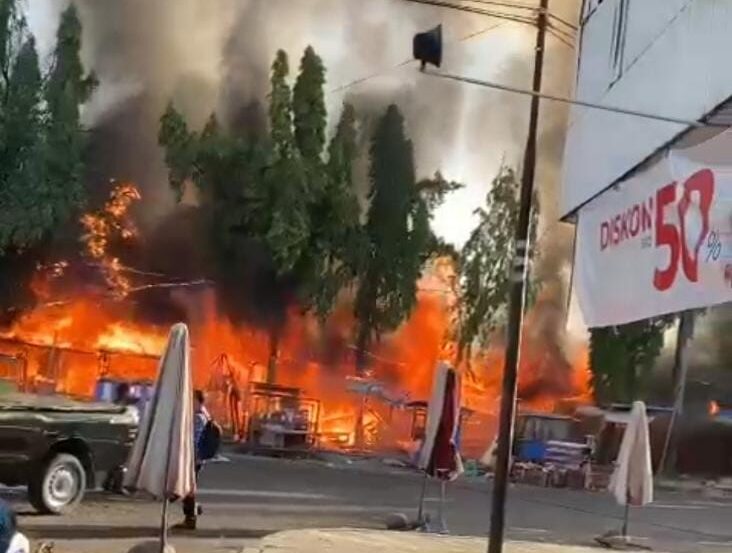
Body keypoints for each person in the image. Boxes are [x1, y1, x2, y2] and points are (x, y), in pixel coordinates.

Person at [177, 389, 210, 530]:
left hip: (194, 459)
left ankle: (191, 517)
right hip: (196, 459)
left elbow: (194, 440)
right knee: (188, 488)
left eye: (192, 399)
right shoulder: (203, 414)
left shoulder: (198, 417)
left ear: (197, 400)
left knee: (188, 489)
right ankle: (193, 511)